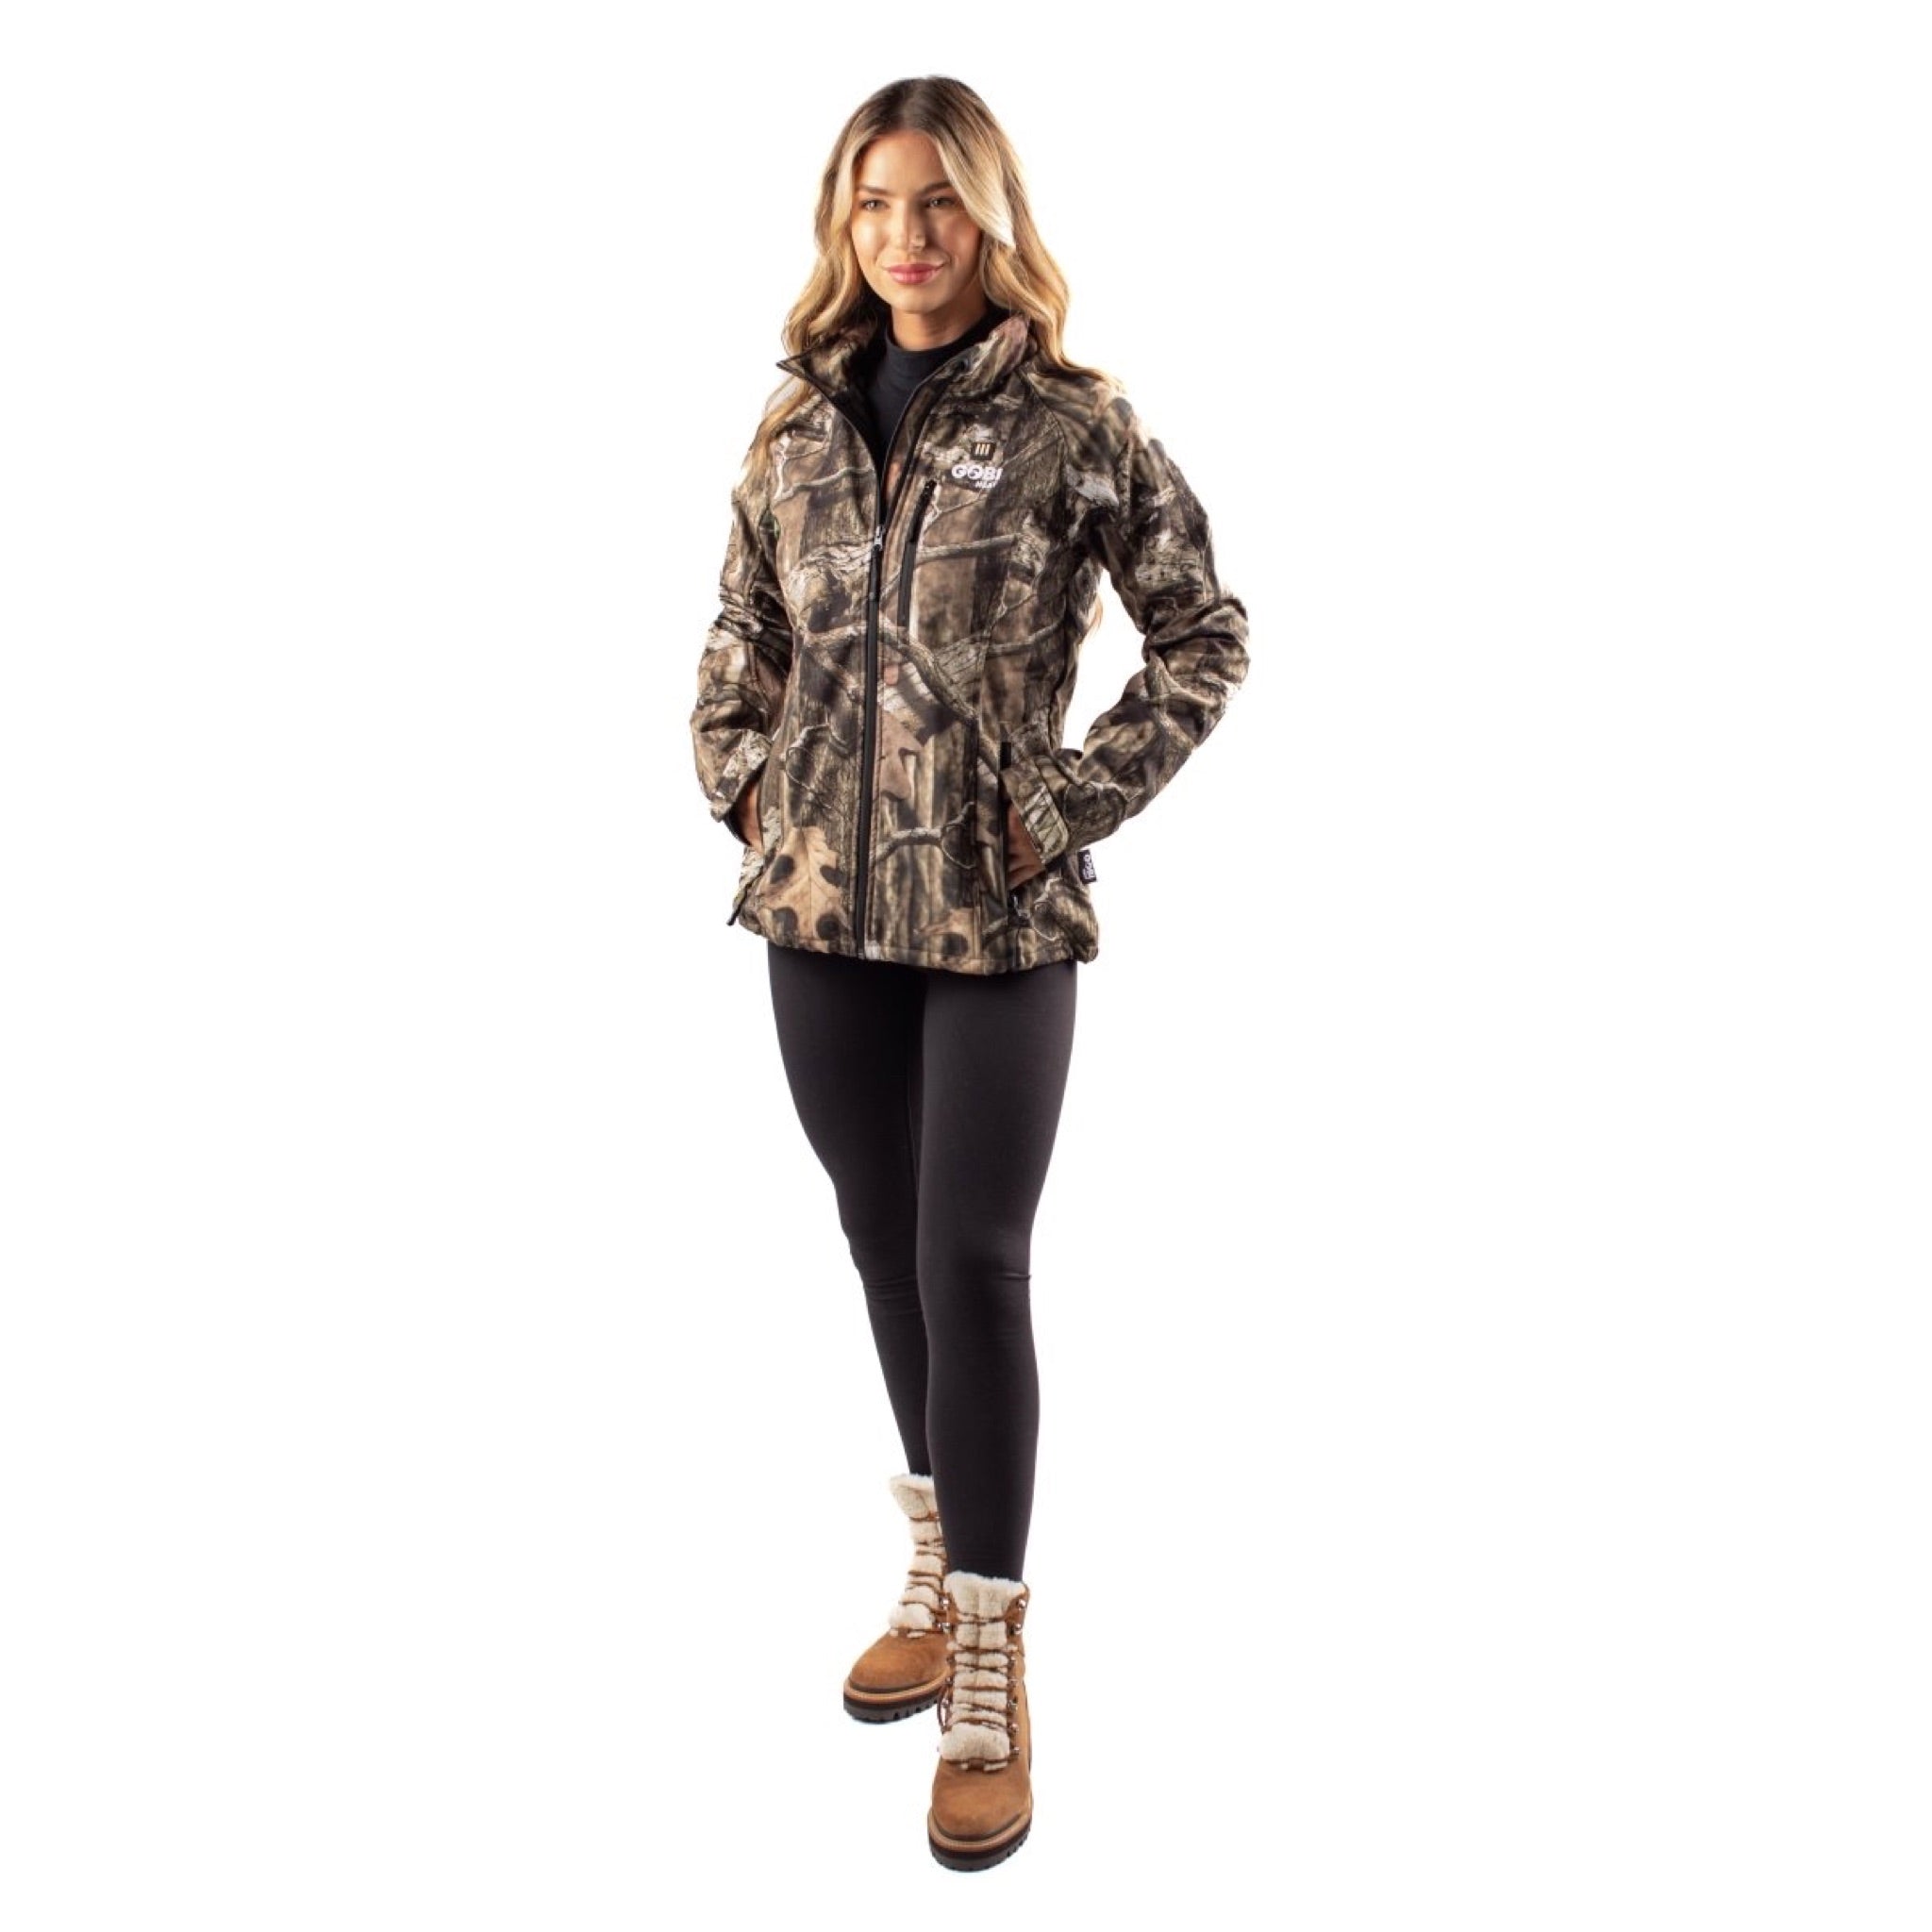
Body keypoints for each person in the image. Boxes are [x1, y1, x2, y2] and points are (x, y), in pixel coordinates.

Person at [690, 75, 1249, 1871]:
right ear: (841, 224)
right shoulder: (795, 421)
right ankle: (935, 1566)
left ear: (988, 216)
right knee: (880, 1242)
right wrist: (745, 779)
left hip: (997, 921)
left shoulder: (1075, 425)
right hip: (818, 915)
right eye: (874, 203)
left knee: (974, 1260)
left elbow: (1202, 630)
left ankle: (993, 1661)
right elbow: (739, 632)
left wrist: (1069, 799)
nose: (906, 236)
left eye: (937, 201)